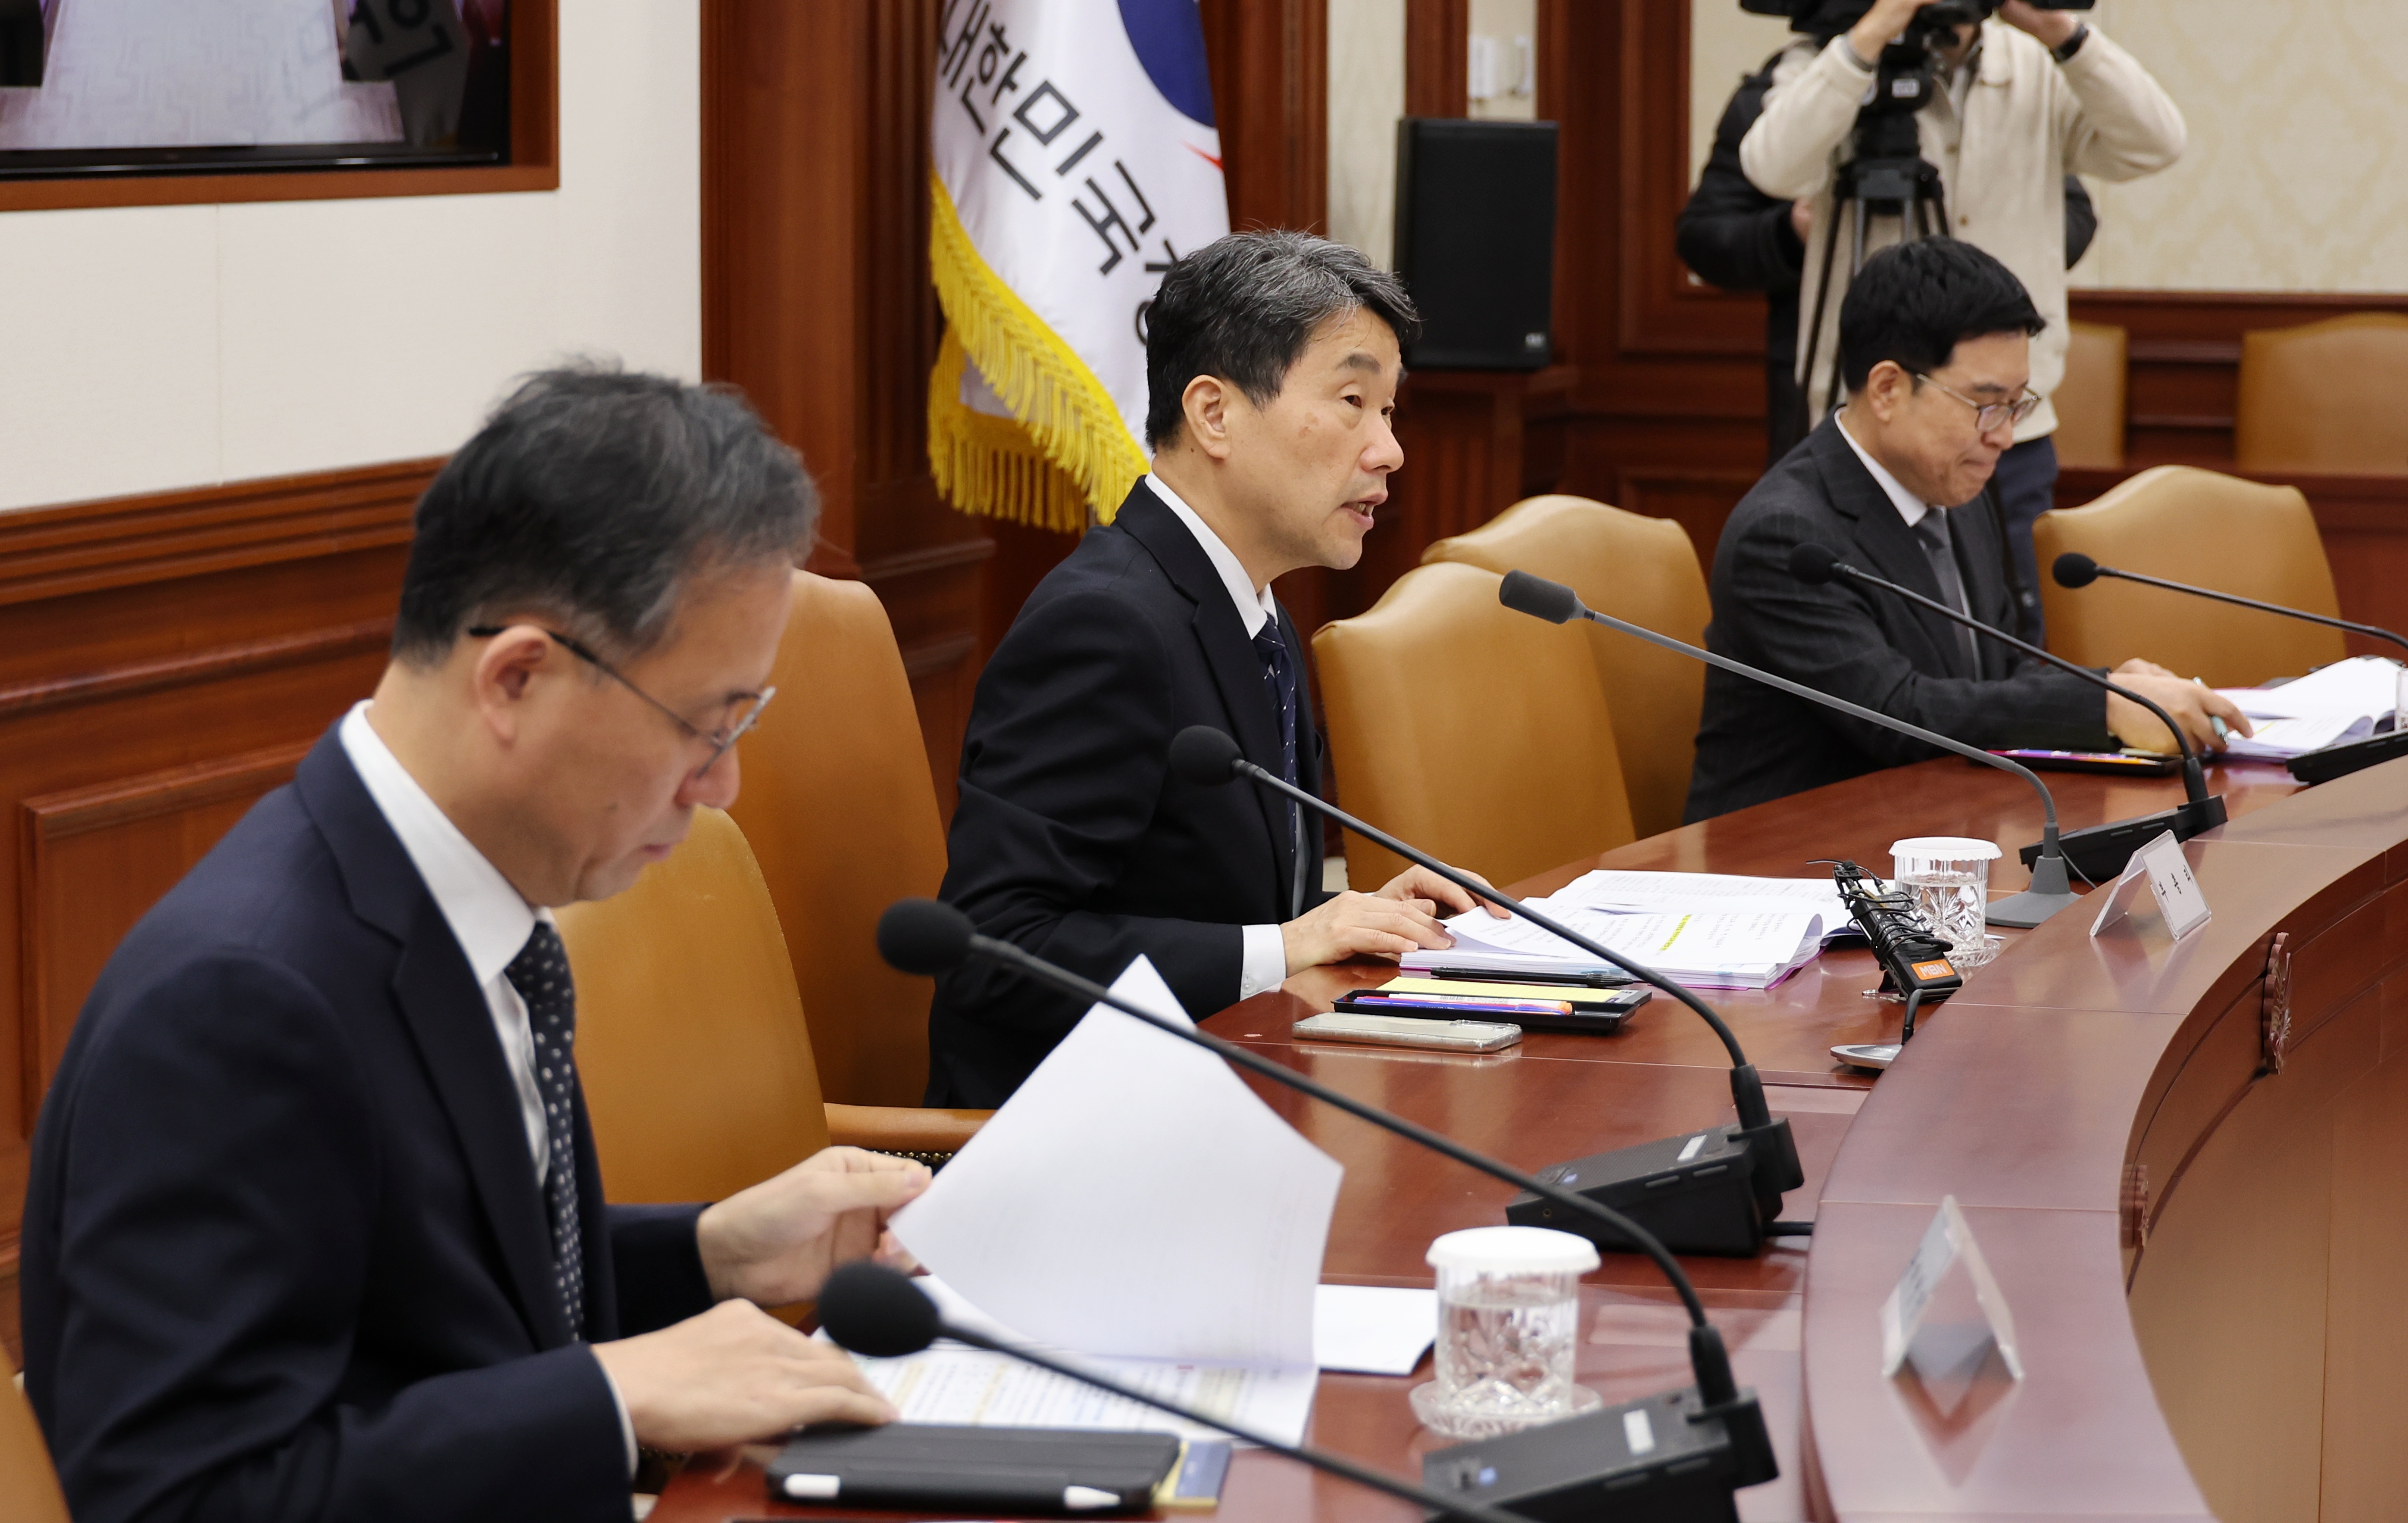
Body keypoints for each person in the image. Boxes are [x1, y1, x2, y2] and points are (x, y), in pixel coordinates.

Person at [23, 371, 931, 1523]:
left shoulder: (454, 902)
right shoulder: (240, 1002)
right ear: (517, 677)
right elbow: (180, 1495)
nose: (724, 786)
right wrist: (605, 1395)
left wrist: (710, 1253)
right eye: (706, 726)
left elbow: (440, 1271)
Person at [929, 231, 1500, 1108]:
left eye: (1390, 413)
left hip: (1224, 1095)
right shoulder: (1106, 624)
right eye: (1353, 401)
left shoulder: (1251, 603)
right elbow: (994, 948)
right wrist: (1283, 946)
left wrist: (1357, 920)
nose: (1386, 449)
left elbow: (1215, 895)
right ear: (1214, 414)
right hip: (1083, 1147)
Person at [1685, 237, 2244, 822]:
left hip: (1934, 836)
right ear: (1887, 389)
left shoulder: (1957, 490)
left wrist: (2114, 691)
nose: (2003, 435)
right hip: (1785, 865)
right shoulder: (1786, 537)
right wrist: (2098, 704)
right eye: (1985, 403)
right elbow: (1898, 713)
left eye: (2016, 403)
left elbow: (1994, 672)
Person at [1739, 0, 2185, 627]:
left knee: (2006, 642)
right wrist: (1870, 34)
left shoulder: (2033, 65)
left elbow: (2157, 141)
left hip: (2007, 424)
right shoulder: (1834, 53)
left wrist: (2061, 33)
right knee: (1886, 642)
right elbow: (1770, 167)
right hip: (1878, 424)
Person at [1676, 50, 2099, 474]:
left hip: (1993, 414)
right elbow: (1706, 236)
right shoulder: (1807, 79)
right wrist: (1791, 233)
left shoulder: (2008, 81)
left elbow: (2077, 216)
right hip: (1838, 395)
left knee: (1992, 537)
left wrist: (1985, 264)